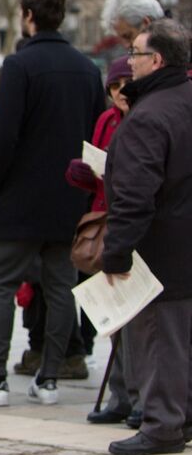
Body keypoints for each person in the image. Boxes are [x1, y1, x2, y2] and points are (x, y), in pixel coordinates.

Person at [0, 0, 104, 408]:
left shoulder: (20, 66)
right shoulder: (87, 68)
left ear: (28, 16)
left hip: (21, 197)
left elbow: (3, 136)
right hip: (69, 197)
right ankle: (50, 378)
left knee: (0, 285)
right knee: (60, 287)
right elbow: (95, 137)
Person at [102, 20, 192, 455]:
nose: (129, 61)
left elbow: (135, 195)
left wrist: (115, 251)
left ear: (156, 60)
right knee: (182, 338)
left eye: (135, 53)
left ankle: (162, 426)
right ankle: (180, 417)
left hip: (162, 248)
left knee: (159, 339)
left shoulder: (149, 116)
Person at [69, 56, 139, 425]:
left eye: (125, 83)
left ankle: (142, 395)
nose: (120, 92)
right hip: (104, 221)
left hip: (134, 224)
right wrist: (82, 173)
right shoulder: (106, 120)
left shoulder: (145, 118)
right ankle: (121, 394)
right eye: (114, 86)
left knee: (139, 320)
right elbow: (95, 177)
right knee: (111, 319)